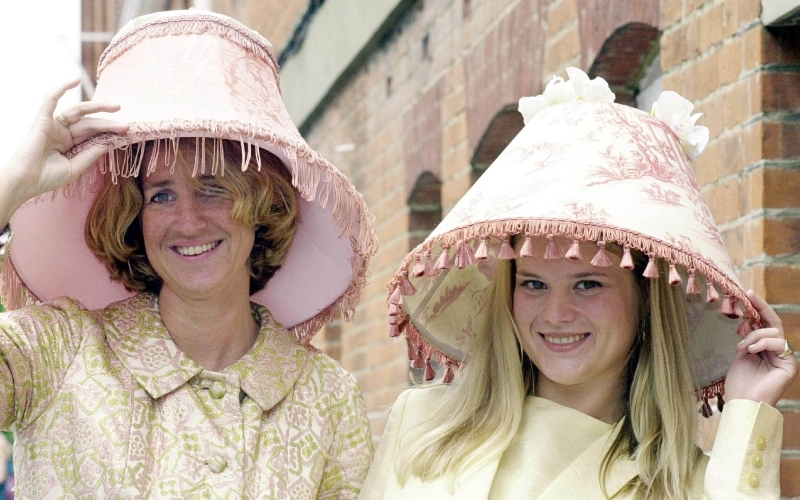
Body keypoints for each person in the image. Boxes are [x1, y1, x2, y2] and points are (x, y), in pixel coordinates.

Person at [361, 68, 797, 499]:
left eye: (588, 284)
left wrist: (747, 413)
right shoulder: (420, 427)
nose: (556, 313)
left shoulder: (687, 485)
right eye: (533, 284)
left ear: (645, 299)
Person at [0, 10, 376, 499]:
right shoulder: (59, 349)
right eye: (160, 195)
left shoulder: (327, 396)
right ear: (135, 216)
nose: (188, 220)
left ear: (261, 206)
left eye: (214, 187)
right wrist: (9, 190)